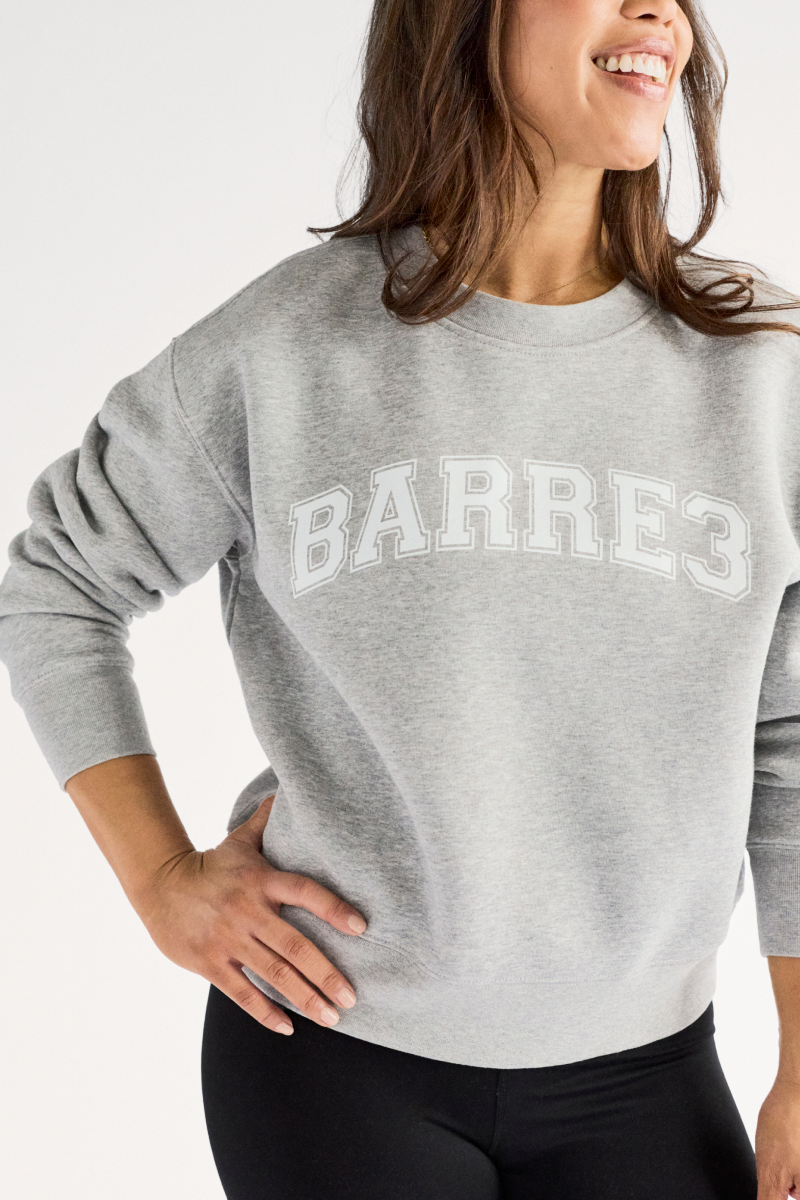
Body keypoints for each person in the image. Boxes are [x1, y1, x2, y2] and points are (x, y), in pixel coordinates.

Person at [3, 0, 800, 1195]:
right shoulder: (284, 350)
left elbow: (788, 740)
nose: (658, 12)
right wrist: (161, 880)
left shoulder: (760, 373)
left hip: (645, 1070)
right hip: (330, 1053)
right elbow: (60, 581)